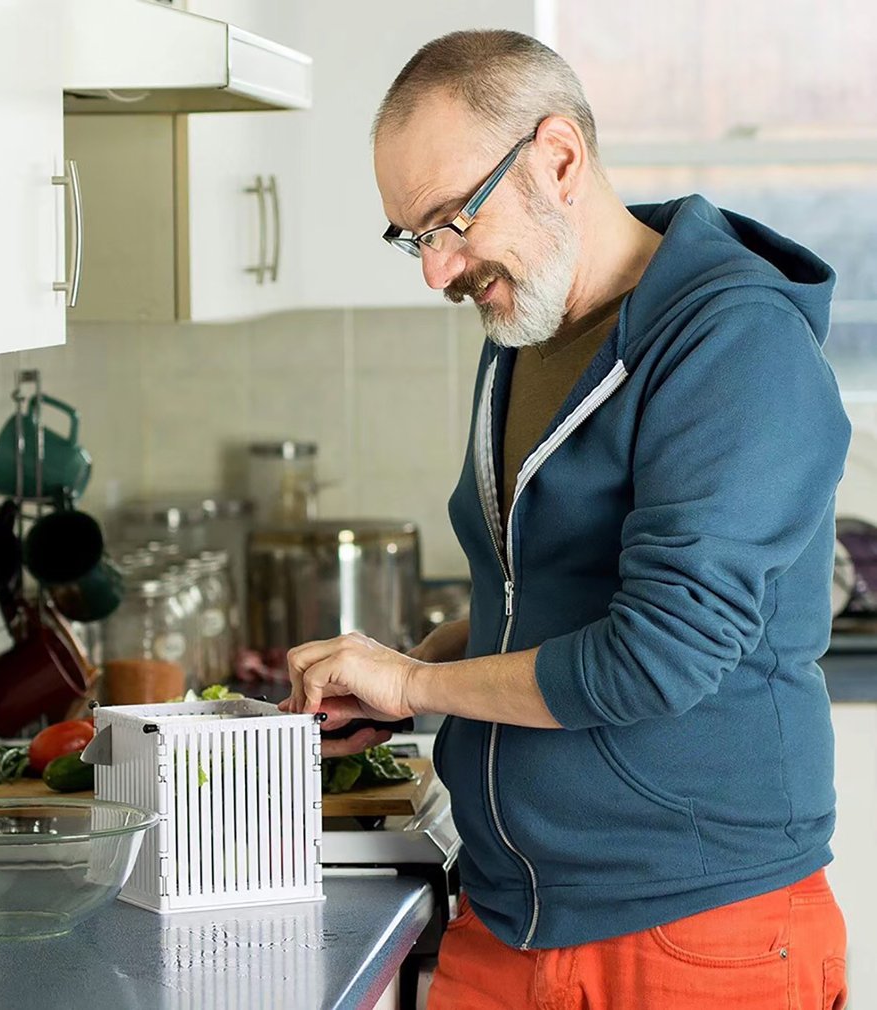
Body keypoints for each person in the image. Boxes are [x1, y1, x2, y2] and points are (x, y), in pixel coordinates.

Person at [281, 29, 851, 1009]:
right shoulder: (523, 328)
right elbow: (529, 596)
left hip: (697, 935)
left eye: (452, 220)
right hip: (506, 917)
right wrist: (402, 684)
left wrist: (418, 675)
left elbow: (654, 657)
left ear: (556, 157)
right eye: (414, 235)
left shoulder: (733, 344)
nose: (434, 270)